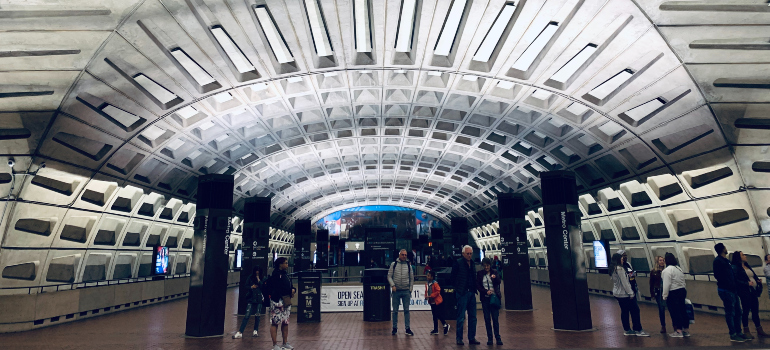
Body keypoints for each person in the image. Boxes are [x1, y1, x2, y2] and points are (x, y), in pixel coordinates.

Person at [713, 243, 748, 342]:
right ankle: (732, 334)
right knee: (730, 312)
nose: (726, 248)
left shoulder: (726, 261)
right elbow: (718, 275)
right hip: (726, 290)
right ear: (722, 249)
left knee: (738, 311)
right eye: (725, 247)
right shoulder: (718, 261)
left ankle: (738, 332)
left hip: (732, 290)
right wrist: (728, 284)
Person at [610, 253, 650, 337]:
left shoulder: (612, 268)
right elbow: (625, 283)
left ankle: (627, 329)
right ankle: (638, 329)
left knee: (624, 311)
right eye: (621, 258)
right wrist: (631, 293)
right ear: (618, 259)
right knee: (635, 310)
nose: (622, 260)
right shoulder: (619, 269)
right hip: (624, 294)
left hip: (617, 293)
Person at [732, 251, 768, 338]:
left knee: (755, 310)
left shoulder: (747, 266)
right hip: (745, 292)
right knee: (746, 310)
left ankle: (759, 329)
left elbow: (753, 276)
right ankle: (746, 330)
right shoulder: (736, 268)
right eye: (743, 255)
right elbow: (736, 280)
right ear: (738, 257)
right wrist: (746, 284)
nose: (745, 256)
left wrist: (757, 281)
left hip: (753, 291)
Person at [266, 257, 296, 350]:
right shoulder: (276, 274)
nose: (287, 265)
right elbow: (278, 287)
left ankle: (285, 342)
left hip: (286, 301)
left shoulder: (286, 274)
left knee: (285, 322)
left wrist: (293, 289)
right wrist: (289, 290)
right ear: (280, 264)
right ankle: (275, 344)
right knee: (275, 322)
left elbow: (289, 285)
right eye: (285, 263)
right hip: (277, 301)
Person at [453, 245, 480, 345]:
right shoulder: (458, 263)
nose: (469, 255)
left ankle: (471, 337)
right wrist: (458, 289)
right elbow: (453, 277)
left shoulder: (472, 263)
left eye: (470, 254)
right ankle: (459, 338)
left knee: (473, 317)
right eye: (467, 253)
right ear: (463, 254)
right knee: (461, 317)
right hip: (462, 293)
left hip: (471, 292)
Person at [661, 252, 689, 338]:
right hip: (682, 291)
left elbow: (666, 284)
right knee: (682, 310)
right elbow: (683, 281)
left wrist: (664, 295)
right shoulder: (679, 269)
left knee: (675, 312)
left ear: (666, 260)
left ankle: (678, 331)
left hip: (673, 293)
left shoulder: (667, 271)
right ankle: (686, 330)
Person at [388, 249, 414, 336]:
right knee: (395, 311)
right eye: (402, 255)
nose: (404, 256)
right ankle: (394, 328)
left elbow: (411, 278)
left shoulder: (408, 265)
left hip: (406, 291)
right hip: (396, 291)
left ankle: (407, 328)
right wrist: (392, 285)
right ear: (399, 255)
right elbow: (389, 276)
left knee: (406, 310)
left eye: (405, 255)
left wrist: (410, 290)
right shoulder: (394, 264)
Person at [477, 258, 503, 345]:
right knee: (487, 319)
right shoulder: (480, 274)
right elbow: (479, 286)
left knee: (495, 318)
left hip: (494, 297)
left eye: (487, 265)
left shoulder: (495, 272)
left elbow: (499, 282)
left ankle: (498, 337)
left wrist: (494, 279)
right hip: (485, 298)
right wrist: (485, 291)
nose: (486, 267)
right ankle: (490, 338)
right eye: (485, 266)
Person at [234, 266, 264, 339]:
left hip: (259, 298)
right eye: (256, 271)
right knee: (247, 315)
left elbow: (264, 286)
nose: (257, 272)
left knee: (257, 315)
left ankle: (255, 330)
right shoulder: (250, 277)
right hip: (251, 298)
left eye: (258, 271)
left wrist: (259, 280)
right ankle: (240, 331)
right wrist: (251, 287)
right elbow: (246, 285)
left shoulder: (263, 278)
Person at [424, 270, 449, 335]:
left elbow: (438, 291)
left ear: (432, 277)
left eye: (428, 275)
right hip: (432, 301)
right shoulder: (427, 284)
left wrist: (431, 295)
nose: (427, 277)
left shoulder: (435, 283)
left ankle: (445, 325)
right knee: (434, 315)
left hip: (436, 301)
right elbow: (426, 291)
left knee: (438, 314)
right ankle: (436, 329)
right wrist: (426, 296)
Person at [649, 256, 668, 333]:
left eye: (663, 260)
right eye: (660, 260)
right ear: (657, 262)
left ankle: (675, 325)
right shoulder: (654, 272)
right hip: (658, 291)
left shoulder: (667, 271)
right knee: (661, 309)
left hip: (666, 291)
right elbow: (651, 284)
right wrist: (652, 294)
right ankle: (663, 326)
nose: (662, 262)